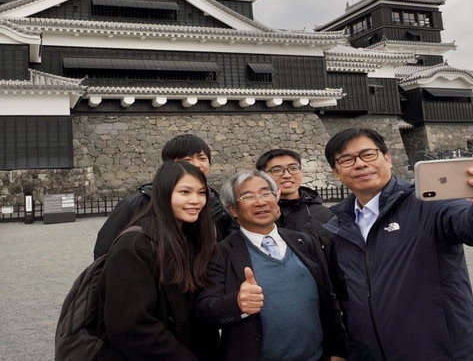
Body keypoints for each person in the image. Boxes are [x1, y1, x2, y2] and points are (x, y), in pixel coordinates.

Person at [322, 128, 473, 360]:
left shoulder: (429, 203)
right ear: (336, 172)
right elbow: (349, 299)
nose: (359, 164)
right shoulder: (337, 224)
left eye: (368, 154)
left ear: (388, 159)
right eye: (346, 159)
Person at [196, 170, 346, 360]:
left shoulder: (304, 242)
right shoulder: (221, 253)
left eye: (266, 193)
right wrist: (237, 304)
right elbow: (204, 310)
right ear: (232, 209)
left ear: (276, 198)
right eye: (248, 196)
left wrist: (337, 349)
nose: (260, 202)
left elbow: (328, 297)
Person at [97, 161, 218, 360]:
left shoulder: (192, 239)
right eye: (185, 192)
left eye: (202, 193)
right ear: (163, 193)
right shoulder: (135, 246)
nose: (196, 200)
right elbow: (130, 325)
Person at [93, 134, 237, 259]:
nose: (197, 165)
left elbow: (229, 241)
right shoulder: (140, 202)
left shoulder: (214, 201)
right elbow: (106, 249)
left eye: (202, 158)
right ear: (169, 165)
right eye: (187, 160)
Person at [256, 148, 334, 250]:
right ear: (262, 176)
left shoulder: (323, 214)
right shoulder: (256, 214)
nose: (287, 175)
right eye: (277, 170)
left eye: (293, 168)